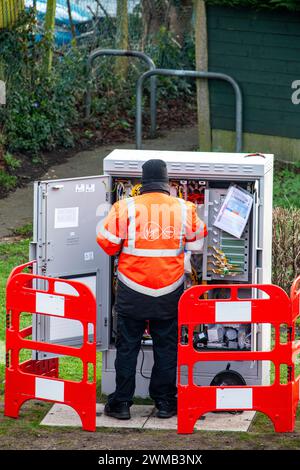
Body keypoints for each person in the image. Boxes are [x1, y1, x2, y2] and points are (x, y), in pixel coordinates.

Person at [97, 159, 207, 420]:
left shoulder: (125, 207)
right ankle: (166, 402)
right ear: (168, 183)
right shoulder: (185, 208)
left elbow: (107, 243)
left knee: (127, 348)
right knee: (166, 347)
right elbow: (198, 243)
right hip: (169, 289)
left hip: (131, 288)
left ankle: (121, 404)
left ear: (142, 183)